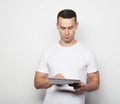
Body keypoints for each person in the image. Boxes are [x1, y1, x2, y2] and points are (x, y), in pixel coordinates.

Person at [34, 9, 100, 104]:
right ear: (57, 26)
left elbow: (96, 82)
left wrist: (84, 87)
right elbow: (37, 83)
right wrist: (53, 81)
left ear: (76, 25)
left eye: (70, 28)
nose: (67, 33)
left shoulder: (87, 52)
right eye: (63, 28)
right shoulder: (47, 52)